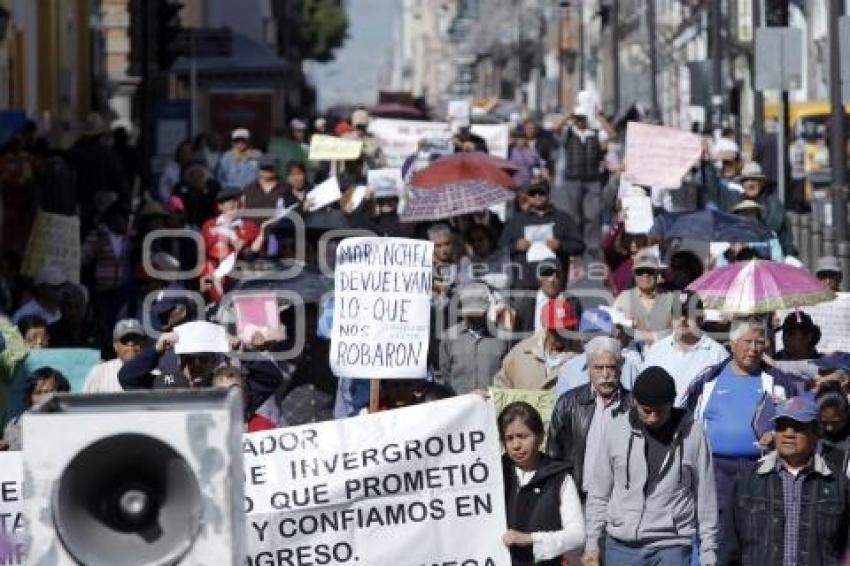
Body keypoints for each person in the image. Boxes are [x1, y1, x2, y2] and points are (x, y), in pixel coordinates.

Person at [583, 367, 719, 566]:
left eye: (660, 411)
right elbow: (599, 491)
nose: (653, 417)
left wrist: (708, 551)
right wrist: (592, 544)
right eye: (646, 411)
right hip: (621, 544)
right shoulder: (615, 430)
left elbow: (706, 495)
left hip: (671, 543)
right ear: (635, 402)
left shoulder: (694, 434)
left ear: (671, 403)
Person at [685, 316, 802, 514]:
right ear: (732, 344)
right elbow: (687, 419)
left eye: (759, 342)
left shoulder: (778, 381)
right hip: (714, 473)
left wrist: (776, 436)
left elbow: (797, 421)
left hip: (762, 471)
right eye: (748, 342)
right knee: (719, 535)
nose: (754, 348)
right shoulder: (708, 379)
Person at [719, 395, 850, 565]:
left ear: (816, 433)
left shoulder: (837, 483)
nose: (788, 434)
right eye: (781, 427)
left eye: (798, 427)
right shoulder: (747, 480)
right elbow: (728, 546)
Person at [499, 401, 584, 565]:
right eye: (509, 439)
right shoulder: (494, 473)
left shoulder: (559, 477)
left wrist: (531, 539)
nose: (516, 445)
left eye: (523, 436)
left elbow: (577, 535)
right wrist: (474, 404)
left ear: (539, 437)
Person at [547, 336, 632, 499]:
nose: (605, 374)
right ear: (588, 369)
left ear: (620, 369)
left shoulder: (634, 406)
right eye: (599, 368)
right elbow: (553, 455)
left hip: (621, 501)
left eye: (611, 367)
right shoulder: (568, 403)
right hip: (579, 499)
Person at [641, 291, 728, 406]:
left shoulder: (718, 355)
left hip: (698, 422)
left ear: (701, 319)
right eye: (677, 313)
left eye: (688, 313)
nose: (682, 319)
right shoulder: (656, 350)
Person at [499, 181, 585, 290]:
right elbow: (501, 248)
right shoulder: (516, 221)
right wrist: (516, 246)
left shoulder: (563, 219)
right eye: (533, 194)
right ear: (527, 196)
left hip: (554, 285)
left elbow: (579, 246)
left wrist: (561, 245)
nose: (537, 196)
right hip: (524, 285)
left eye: (541, 193)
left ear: (548, 194)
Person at [439, 283, 510, 394]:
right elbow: (445, 374)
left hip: (492, 405)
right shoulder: (449, 337)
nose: (475, 319)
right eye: (470, 315)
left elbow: (508, 375)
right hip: (460, 406)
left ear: (488, 308)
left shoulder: (502, 336)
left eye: (478, 314)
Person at [494, 298, 578, 390]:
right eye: (554, 330)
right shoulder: (521, 353)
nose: (560, 335)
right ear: (544, 326)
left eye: (565, 329)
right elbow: (501, 386)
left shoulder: (582, 359)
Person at [553, 308, 640, 395]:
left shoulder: (628, 367)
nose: (596, 344)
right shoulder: (568, 370)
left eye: (601, 337)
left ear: (612, 337)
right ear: (582, 341)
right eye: (589, 338)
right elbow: (561, 406)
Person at [560, 108, 608, 257]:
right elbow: (554, 128)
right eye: (578, 119)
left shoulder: (595, 133)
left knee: (593, 214)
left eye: (583, 118)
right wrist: (569, 114)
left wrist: (600, 117)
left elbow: (611, 135)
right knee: (575, 215)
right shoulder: (568, 132)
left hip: (592, 179)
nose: (580, 121)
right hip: (573, 179)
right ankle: (576, 244)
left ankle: (592, 245)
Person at [0, 366, 70, 450]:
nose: (44, 397)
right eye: (38, 393)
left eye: (49, 392)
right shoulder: (14, 425)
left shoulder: (68, 423)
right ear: (30, 396)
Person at [612, 251, 675, 345]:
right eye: (640, 271)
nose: (645, 275)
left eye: (650, 271)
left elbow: (677, 331)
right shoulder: (623, 298)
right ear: (634, 275)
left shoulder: (671, 298)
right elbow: (613, 330)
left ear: (657, 273)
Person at [81, 319, 145, 393]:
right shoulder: (99, 372)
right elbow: (85, 402)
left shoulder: (154, 373)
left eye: (135, 339)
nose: (131, 344)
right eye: (125, 340)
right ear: (115, 346)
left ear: (143, 344)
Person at [816, 382, 850, 473]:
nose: (829, 428)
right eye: (824, 422)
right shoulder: (812, 436)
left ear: (846, 415)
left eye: (836, 422)